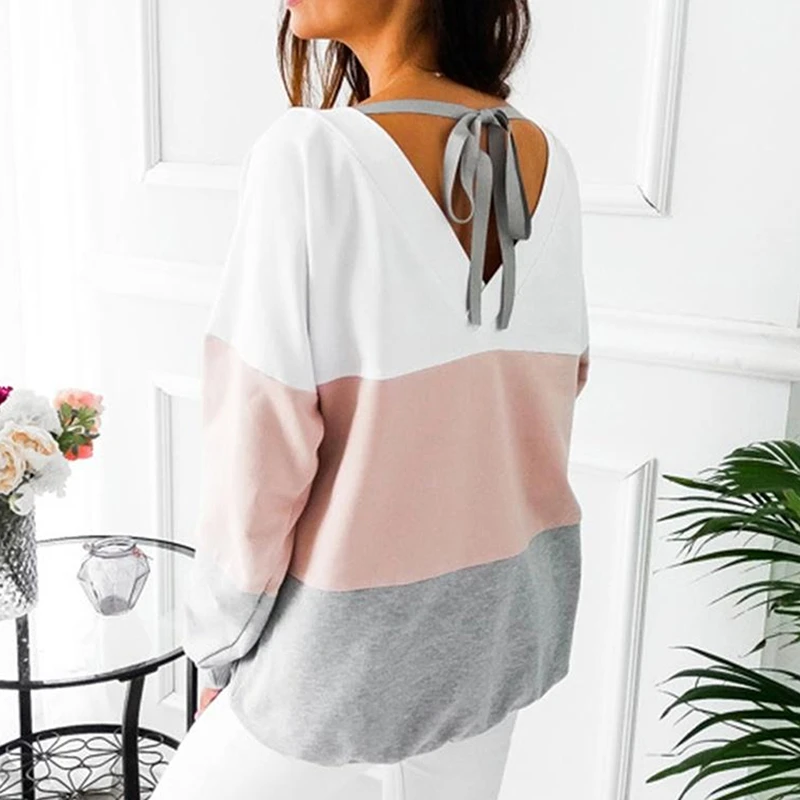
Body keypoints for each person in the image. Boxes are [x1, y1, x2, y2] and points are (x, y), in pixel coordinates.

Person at [152, 0, 589, 796]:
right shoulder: (545, 155)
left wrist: (218, 647)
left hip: (337, 674)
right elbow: (560, 389)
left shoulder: (308, 155)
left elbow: (258, 450)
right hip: (496, 644)